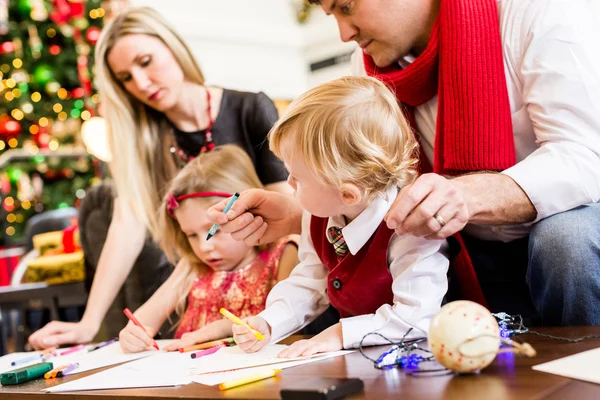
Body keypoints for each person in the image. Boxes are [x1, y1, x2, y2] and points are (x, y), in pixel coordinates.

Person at [211, 0, 600, 326]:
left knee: (564, 241)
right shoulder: (365, 70)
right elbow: (373, 190)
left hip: (565, 220)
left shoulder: (532, 12)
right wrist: (301, 211)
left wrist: (466, 195)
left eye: (346, 6)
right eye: (332, 14)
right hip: (455, 245)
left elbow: (586, 157)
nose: (344, 33)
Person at [28, 7, 289, 350]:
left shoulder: (250, 109)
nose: (141, 83)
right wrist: (88, 322)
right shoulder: (142, 139)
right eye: (125, 78)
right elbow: (127, 223)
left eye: (146, 61)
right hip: (193, 269)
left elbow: (288, 211)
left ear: (172, 46)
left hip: (265, 267)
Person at [231, 76, 449, 358]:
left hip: (422, 361)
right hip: (361, 359)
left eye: (297, 177)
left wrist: (338, 334)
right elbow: (311, 281)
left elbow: (416, 318)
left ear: (348, 194)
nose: (289, 184)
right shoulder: (318, 215)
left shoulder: (411, 228)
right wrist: (270, 322)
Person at [117, 145, 297, 353]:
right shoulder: (192, 265)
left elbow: (288, 317)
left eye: (215, 231)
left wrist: (220, 329)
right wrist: (132, 334)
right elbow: (142, 322)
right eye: (191, 235)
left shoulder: (283, 253)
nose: (204, 247)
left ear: (249, 212)